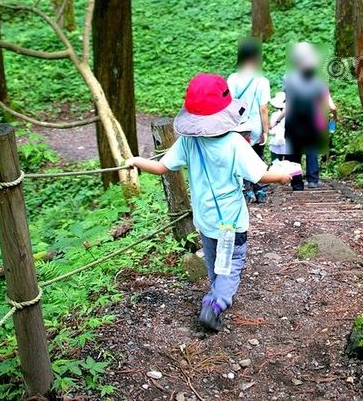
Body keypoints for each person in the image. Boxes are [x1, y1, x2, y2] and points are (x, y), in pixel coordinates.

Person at [125, 73, 292, 333]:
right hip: (232, 222)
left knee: (215, 262)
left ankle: (214, 293)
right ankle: (215, 305)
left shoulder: (188, 142)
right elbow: (260, 175)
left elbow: (160, 167)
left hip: (204, 221)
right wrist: (281, 177)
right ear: (226, 112)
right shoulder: (235, 144)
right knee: (232, 264)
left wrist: (136, 160)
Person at [283, 42, 337, 190]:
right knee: (311, 148)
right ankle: (313, 179)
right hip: (312, 118)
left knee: (294, 151)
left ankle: (296, 183)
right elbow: (330, 104)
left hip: (293, 118)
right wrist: (334, 116)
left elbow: (289, 100)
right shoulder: (319, 80)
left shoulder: (288, 78)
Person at [227, 38, 271, 204]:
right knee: (257, 158)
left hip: (238, 127)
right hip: (256, 126)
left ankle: (247, 191)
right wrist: (265, 131)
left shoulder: (233, 79)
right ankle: (259, 190)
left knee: (241, 158)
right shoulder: (262, 81)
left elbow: (229, 104)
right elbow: (263, 108)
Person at [268, 91, 292, 163]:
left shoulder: (275, 115)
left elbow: (272, 131)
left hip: (276, 143)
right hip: (289, 144)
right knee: (289, 164)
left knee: (275, 164)